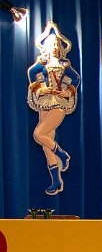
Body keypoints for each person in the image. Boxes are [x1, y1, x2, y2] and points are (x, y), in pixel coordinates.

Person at [27, 21, 79, 195]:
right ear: (47, 47)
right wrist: (40, 88)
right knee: (46, 143)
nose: (55, 47)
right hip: (45, 102)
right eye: (53, 45)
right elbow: (32, 73)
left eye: (57, 45)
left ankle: (62, 154)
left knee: (38, 134)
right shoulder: (42, 62)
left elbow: (75, 78)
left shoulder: (64, 64)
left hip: (59, 103)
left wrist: (67, 91)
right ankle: (56, 180)